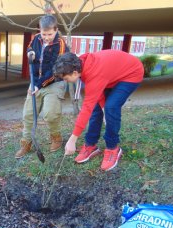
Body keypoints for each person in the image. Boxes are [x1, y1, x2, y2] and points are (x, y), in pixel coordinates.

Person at [53, 50, 144, 171]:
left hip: (131, 73)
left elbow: (86, 108)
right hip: (110, 75)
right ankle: (91, 144)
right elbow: (98, 92)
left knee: (111, 107)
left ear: (74, 72)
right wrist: (102, 109)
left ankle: (113, 148)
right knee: (97, 108)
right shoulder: (82, 66)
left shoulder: (93, 73)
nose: (65, 81)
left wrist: (72, 140)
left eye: (65, 78)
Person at [15, 15, 69, 159]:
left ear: (56, 30)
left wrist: (38, 85)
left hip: (54, 82)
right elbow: (30, 49)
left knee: (50, 114)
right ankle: (26, 143)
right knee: (28, 114)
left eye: (49, 34)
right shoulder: (36, 38)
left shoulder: (61, 44)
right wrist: (29, 53)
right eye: (44, 34)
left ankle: (56, 137)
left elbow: (56, 69)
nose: (46, 37)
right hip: (36, 81)